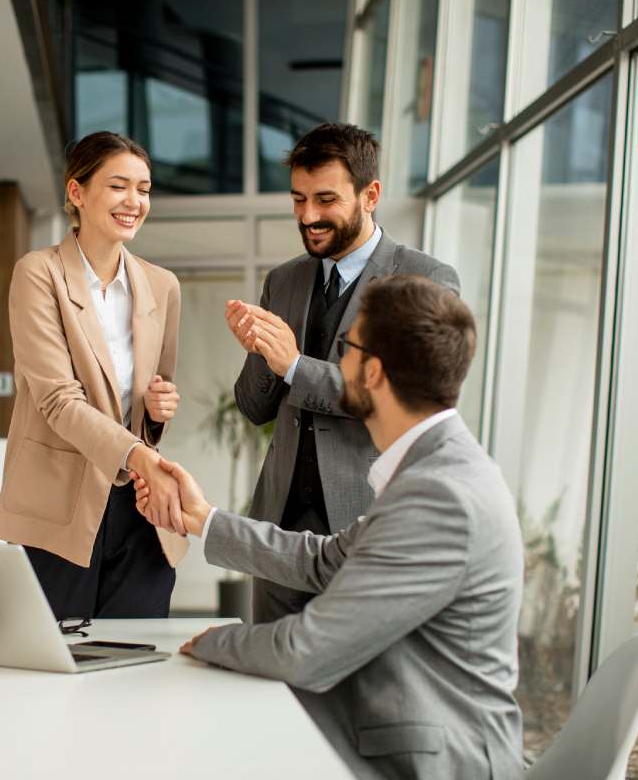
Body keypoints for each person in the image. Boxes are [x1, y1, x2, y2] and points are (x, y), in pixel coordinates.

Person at [134, 274, 524, 780]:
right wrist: (203, 520)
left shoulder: (440, 495)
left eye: (348, 348)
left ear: (375, 373)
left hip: (432, 759)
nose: (338, 364)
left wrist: (208, 642)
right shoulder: (434, 470)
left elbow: (304, 651)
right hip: (398, 726)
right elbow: (324, 560)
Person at [225, 123, 460, 623]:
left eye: (326, 199)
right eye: (298, 199)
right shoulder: (283, 280)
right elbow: (253, 407)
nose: (308, 216)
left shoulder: (426, 280)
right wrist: (263, 356)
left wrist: (293, 364)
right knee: (271, 681)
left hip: (369, 523)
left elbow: (397, 401)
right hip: (279, 527)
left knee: (354, 687)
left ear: (370, 194)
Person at [0, 131, 187, 620]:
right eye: (119, 186)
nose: (134, 202)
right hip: (59, 505)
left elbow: (151, 399)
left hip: (139, 509)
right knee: (55, 665)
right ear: (76, 192)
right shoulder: (39, 274)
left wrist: (158, 411)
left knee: (136, 665)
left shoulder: (162, 286)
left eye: (144, 189)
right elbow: (57, 400)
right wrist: (140, 455)